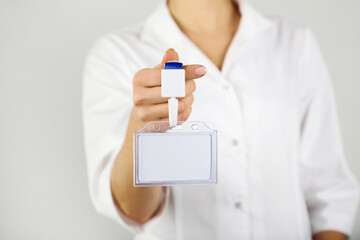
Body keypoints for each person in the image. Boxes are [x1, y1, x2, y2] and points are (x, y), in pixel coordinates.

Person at [82, 0, 359, 239]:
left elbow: (329, 192)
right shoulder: (116, 55)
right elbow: (134, 210)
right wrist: (141, 129)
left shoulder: (293, 43)